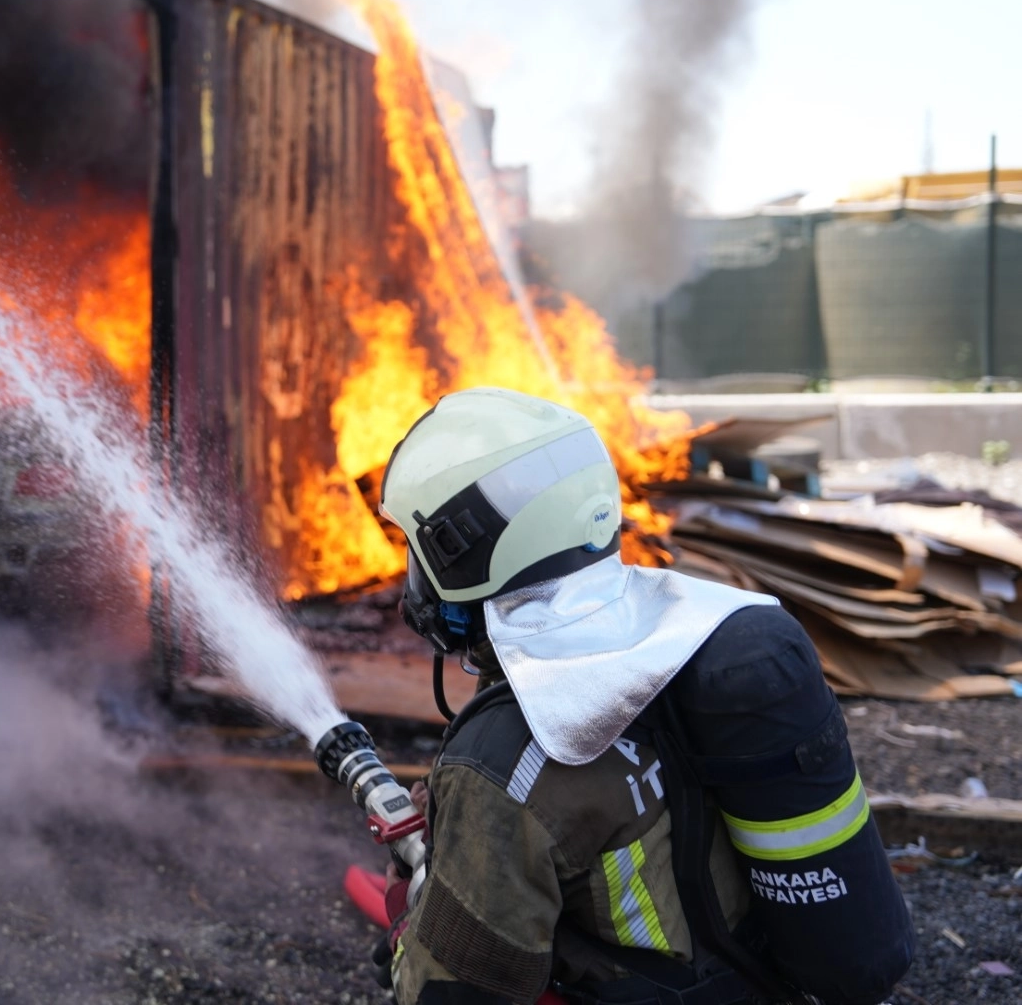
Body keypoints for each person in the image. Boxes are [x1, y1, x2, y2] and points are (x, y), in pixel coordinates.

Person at [372, 387, 915, 1005]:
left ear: (459, 555)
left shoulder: (499, 765)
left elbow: (451, 996)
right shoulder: (692, 632)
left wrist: (409, 922)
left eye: (416, 552)